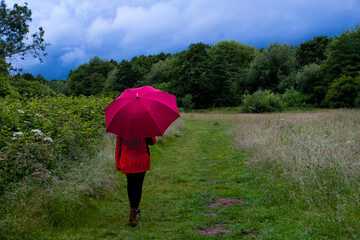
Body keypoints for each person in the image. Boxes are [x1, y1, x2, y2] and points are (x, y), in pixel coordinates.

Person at [115, 136, 156, 227]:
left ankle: (132, 209)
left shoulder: (122, 127)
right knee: (138, 186)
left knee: (131, 185)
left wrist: (118, 163)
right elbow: (152, 142)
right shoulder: (145, 125)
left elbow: (119, 146)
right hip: (141, 160)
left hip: (127, 160)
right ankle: (134, 211)